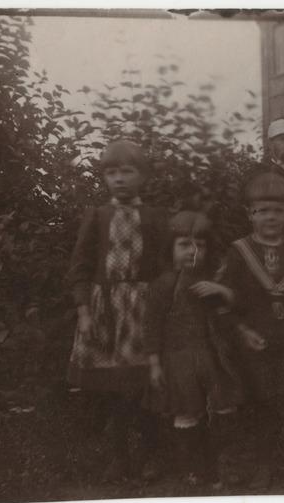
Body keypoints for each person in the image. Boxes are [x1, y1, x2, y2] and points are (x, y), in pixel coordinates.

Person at [66, 139, 167, 482]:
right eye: (112, 172)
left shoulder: (154, 217)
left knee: (145, 386)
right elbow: (80, 266)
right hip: (106, 310)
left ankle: (154, 453)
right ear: (104, 178)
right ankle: (119, 458)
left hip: (143, 310)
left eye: (127, 171)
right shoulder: (97, 216)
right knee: (112, 389)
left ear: (143, 176)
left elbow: (167, 266)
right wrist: (84, 311)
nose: (119, 179)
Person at [221, 172, 284, 490]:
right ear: (249, 214)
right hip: (254, 345)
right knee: (260, 404)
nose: (270, 217)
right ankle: (263, 463)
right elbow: (225, 302)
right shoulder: (239, 253)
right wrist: (240, 331)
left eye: (278, 210)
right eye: (262, 210)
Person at [143, 211, 241, 488]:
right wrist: (154, 363)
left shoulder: (213, 279)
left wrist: (222, 291)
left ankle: (218, 465)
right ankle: (192, 468)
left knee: (224, 407)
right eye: (184, 244)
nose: (193, 250)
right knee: (187, 411)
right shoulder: (163, 284)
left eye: (201, 244)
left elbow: (232, 312)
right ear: (170, 248)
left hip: (213, 356)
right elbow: (151, 326)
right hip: (178, 358)